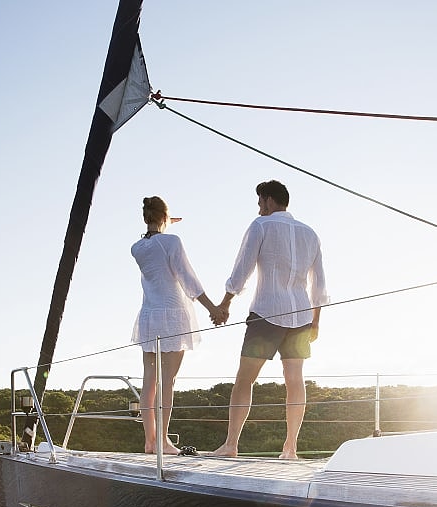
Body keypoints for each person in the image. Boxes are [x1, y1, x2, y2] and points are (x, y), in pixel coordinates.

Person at [213, 180, 328, 459]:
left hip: (266, 313)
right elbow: (319, 286)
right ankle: (290, 448)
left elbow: (242, 270)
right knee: (295, 381)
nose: (258, 208)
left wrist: (225, 303)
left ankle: (230, 446)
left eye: (259, 201)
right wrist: (315, 322)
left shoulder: (260, 226)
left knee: (244, 380)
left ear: (268, 200)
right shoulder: (310, 233)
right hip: (301, 316)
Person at [131, 196, 224, 454]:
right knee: (167, 381)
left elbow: (155, 241)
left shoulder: (137, 248)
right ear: (164, 217)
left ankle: (150, 440)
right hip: (172, 315)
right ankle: (162, 441)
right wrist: (213, 308)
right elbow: (187, 278)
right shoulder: (172, 241)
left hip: (150, 316)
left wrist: (164, 222)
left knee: (149, 381)